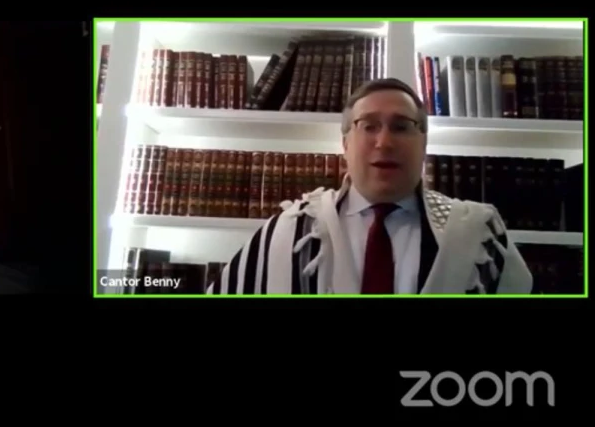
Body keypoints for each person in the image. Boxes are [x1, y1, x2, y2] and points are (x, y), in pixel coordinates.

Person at [207, 78, 532, 295]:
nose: (385, 141)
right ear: (346, 143)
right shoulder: (286, 234)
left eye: (402, 127)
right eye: (369, 126)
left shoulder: (478, 235)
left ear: (424, 143)